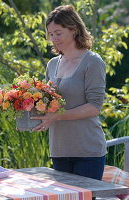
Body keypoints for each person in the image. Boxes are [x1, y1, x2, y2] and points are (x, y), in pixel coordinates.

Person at [31, 5, 107, 196]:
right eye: (50, 34)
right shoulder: (52, 64)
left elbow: (94, 107)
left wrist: (57, 116)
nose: (54, 39)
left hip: (87, 151)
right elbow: (48, 102)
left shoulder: (93, 61)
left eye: (58, 33)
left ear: (73, 30)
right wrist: (25, 107)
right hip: (59, 149)